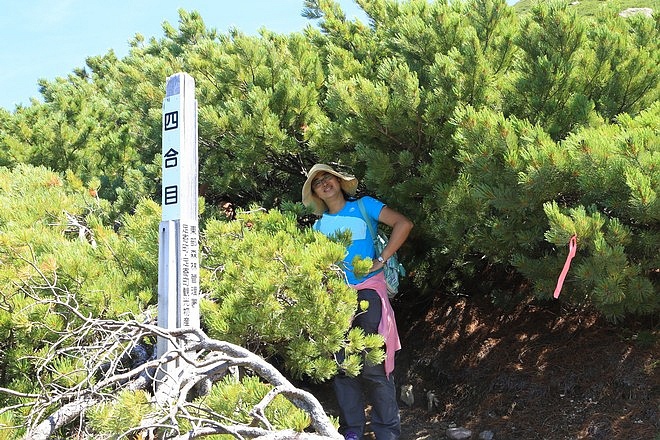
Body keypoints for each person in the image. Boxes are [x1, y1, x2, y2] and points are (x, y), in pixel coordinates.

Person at [302, 163, 413, 440]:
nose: (324, 183)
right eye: (318, 182)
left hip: (368, 291)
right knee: (342, 367)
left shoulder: (365, 206)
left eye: (328, 177)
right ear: (315, 193)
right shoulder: (318, 226)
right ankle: (352, 431)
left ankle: (387, 432)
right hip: (335, 299)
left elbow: (404, 223)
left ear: (339, 181)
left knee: (374, 364)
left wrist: (382, 259)